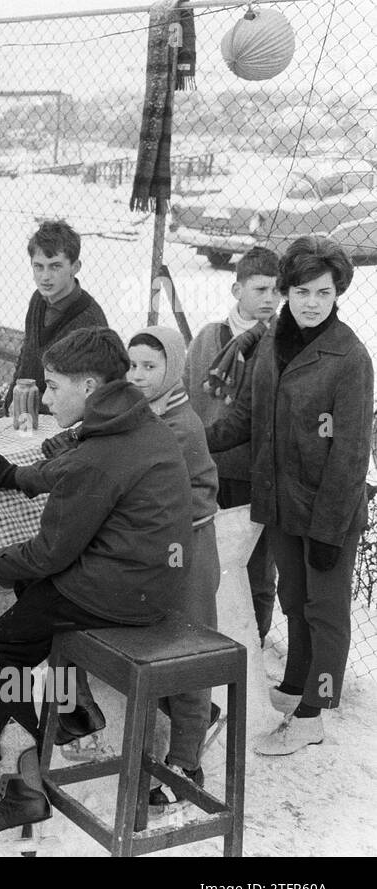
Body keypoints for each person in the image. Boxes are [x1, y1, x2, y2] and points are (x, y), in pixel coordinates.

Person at [0, 326, 191, 834]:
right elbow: (78, 468)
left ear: (87, 386)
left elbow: (47, 553)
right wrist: (13, 476)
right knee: (34, 600)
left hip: (120, 592)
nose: (45, 395)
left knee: (5, 643)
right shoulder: (130, 419)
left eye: (53, 385)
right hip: (150, 580)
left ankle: (24, 787)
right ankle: (72, 711)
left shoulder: (102, 449)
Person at [206, 236, 373, 756]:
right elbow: (244, 419)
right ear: (286, 292)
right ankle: (297, 684)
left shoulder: (349, 358)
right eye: (300, 292)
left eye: (322, 293)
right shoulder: (273, 343)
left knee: (324, 612)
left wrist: (328, 532)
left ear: (337, 292)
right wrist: (188, 443)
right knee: (294, 603)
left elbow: (349, 457)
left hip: (327, 512)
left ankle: (314, 713)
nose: (310, 303)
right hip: (280, 504)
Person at [126, 326, 222, 805]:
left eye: (151, 366)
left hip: (191, 554)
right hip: (165, 553)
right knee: (167, 646)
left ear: (174, 368)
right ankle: (197, 717)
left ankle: (187, 767)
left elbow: (190, 497)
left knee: (186, 656)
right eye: (133, 365)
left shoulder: (179, 426)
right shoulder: (150, 414)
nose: (139, 375)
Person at [186, 247, 280, 646]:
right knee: (204, 564)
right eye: (260, 289)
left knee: (256, 571)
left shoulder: (280, 343)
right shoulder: (210, 337)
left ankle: (249, 652)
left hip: (255, 474)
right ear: (236, 288)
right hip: (207, 470)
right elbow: (190, 397)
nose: (270, 299)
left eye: (278, 291)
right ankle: (200, 647)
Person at [4, 220, 108, 413]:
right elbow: (27, 357)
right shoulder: (38, 299)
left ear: (75, 267)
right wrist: (11, 401)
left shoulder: (89, 322)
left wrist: (30, 409)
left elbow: (82, 396)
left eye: (55, 266)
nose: (45, 277)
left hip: (61, 426)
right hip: (25, 416)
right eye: (38, 266)